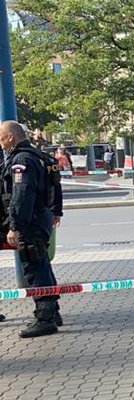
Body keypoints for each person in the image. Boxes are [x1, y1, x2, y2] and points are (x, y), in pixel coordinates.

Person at [0, 121, 62, 337]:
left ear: (11, 137)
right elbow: (55, 184)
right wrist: (56, 211)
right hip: (41, 217)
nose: (0, 143)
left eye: (1, 138)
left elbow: (21, 196)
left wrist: (15, 226)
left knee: (34, 267)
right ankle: (52, 312)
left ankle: (45, 318)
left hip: (30, 221)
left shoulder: (21, 160)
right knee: (42, 264)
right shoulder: (39, 156)